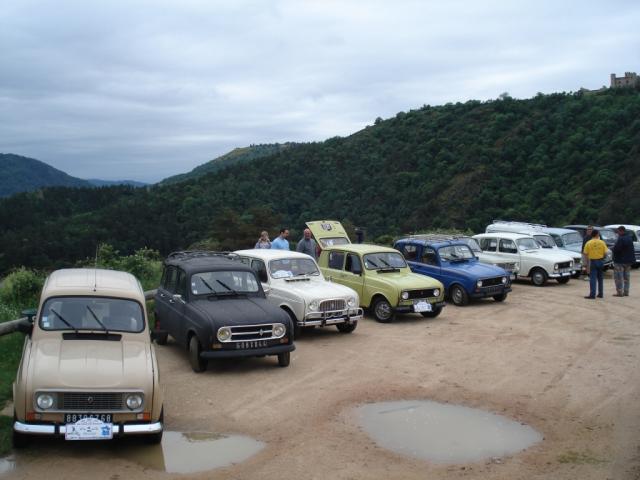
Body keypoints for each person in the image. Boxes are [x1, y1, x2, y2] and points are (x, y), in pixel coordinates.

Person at [583, 229, 608, 299]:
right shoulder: (602, 242)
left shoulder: (588, 243)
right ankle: (600, 293)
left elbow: (585, 254)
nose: (599, 234)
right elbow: (606, 253)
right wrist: (603, 258)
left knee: (593, 278)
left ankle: (592, 294)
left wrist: (586, 264)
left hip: (593, 261)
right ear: (597, 234)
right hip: (600, 261)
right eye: (598, 233)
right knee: (600, 278)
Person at [611, 225, 634, 296]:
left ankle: (619, 292)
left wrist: (612, 249)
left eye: (618, 232)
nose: (617, 233)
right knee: (627, 277)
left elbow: (617, 249)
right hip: (628, 261)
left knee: (618, 277)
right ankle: (626, 292)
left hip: (620, 261)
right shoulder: (629, 238)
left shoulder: (621, 239)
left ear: (621, 231)